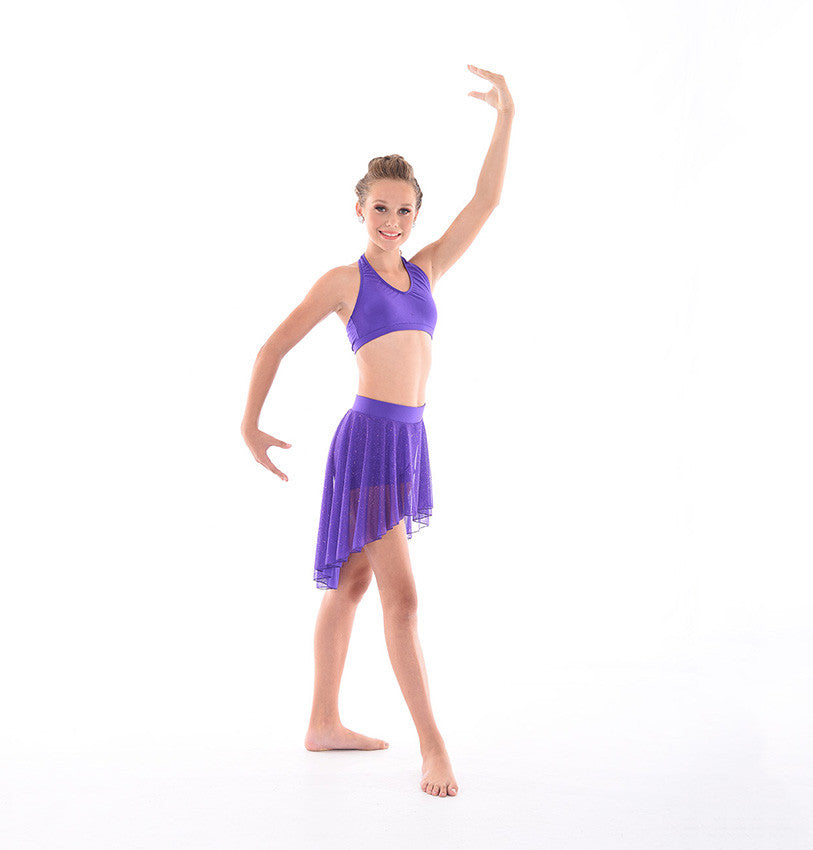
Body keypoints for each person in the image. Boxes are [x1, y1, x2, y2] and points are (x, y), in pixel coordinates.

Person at [241, 65, 514, 798]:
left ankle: (322, 723)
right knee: (404, 599)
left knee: (354, 581)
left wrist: (505, 118)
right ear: (359, 209)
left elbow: (486, 201)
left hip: (408, 443)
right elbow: (273, 345)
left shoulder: (425, 272)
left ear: (416, 216)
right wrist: (250, 425)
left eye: (404, 211)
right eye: (380, 208)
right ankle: (434, 748)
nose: (392, 221)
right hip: (367, 444)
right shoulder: (345, 281)